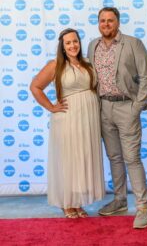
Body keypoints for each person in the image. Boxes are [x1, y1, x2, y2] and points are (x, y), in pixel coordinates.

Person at [87, 7, 147, 228]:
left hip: (127, 107)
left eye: (110, 20)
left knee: (132, 158)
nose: (106, 24)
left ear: (118, 22)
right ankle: (120, 200)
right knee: (114, 157)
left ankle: (142, 208)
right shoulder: (92, 45)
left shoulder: (133, 43)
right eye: (102, 20)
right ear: (98, 23)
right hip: (104, 107)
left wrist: (137, 107)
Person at [30, 28, 105, 218]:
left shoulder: (88, 63)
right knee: (69, 159)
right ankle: (67, 203)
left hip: (88, 119)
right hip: (68, 118)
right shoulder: (55, 65)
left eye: (75, 41)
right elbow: (35, 87)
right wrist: (51, 107)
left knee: (82, 158)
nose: (73, 45)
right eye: (68, 43)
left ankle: (77, 202)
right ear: (62, 47)